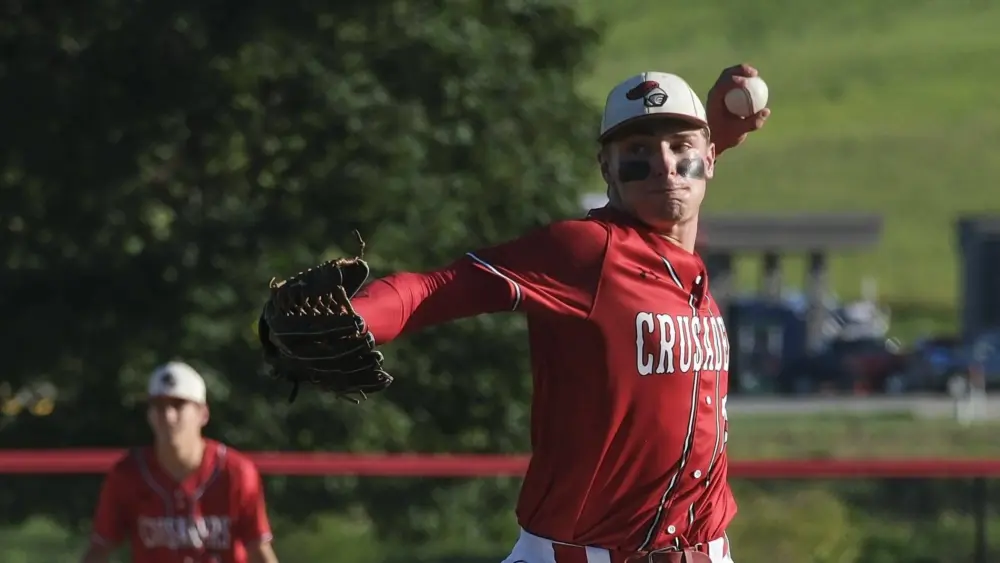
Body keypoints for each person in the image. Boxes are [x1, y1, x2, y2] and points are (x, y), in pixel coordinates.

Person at [350, 65, 767, 562]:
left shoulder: (687, 267)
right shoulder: (587, 253)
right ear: (605, 170)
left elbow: (675, 174)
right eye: (635, 151)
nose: (663, 163)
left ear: (710, 158)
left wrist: (708, 136)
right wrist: (354, 316)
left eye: (681, 146)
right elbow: (440, 287)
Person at [80, 361, 279, 563]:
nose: (168, 415)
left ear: (203, 414)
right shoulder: (128, 474)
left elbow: (259, 548)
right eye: (158, 406)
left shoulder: (235, 472)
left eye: (178, 405)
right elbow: (100, 546)